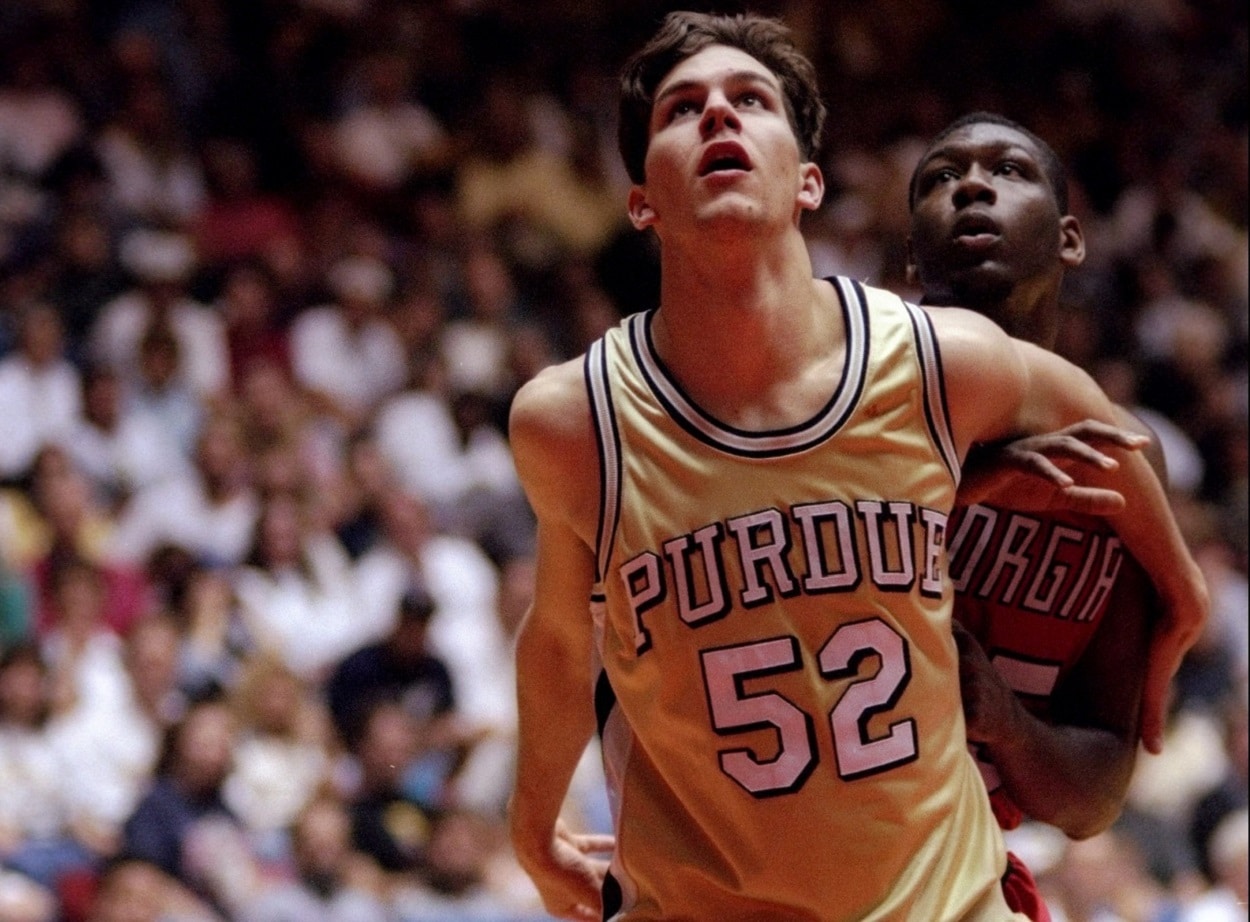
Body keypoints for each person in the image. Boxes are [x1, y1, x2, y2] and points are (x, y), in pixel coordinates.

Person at [506, 11, 1207, 922]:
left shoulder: (934, 362)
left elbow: (1095, 417)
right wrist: (531, 832)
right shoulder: (575, 421)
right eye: (683, 109)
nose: (718, 115)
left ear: (808, 180)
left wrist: (1180, 584)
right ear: (642, 199)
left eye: (749, 100)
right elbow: (561, 640)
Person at [905, 112, 1165, 920]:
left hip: (967, 871)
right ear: (913, 255)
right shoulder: (852, 403)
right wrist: (973, 481)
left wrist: (1009, 722)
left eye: (1008, 171)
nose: (973, 185)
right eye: (940, 178)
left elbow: (1093, 796)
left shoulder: (1122, 461)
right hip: (813, 851)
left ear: (1071, 240)